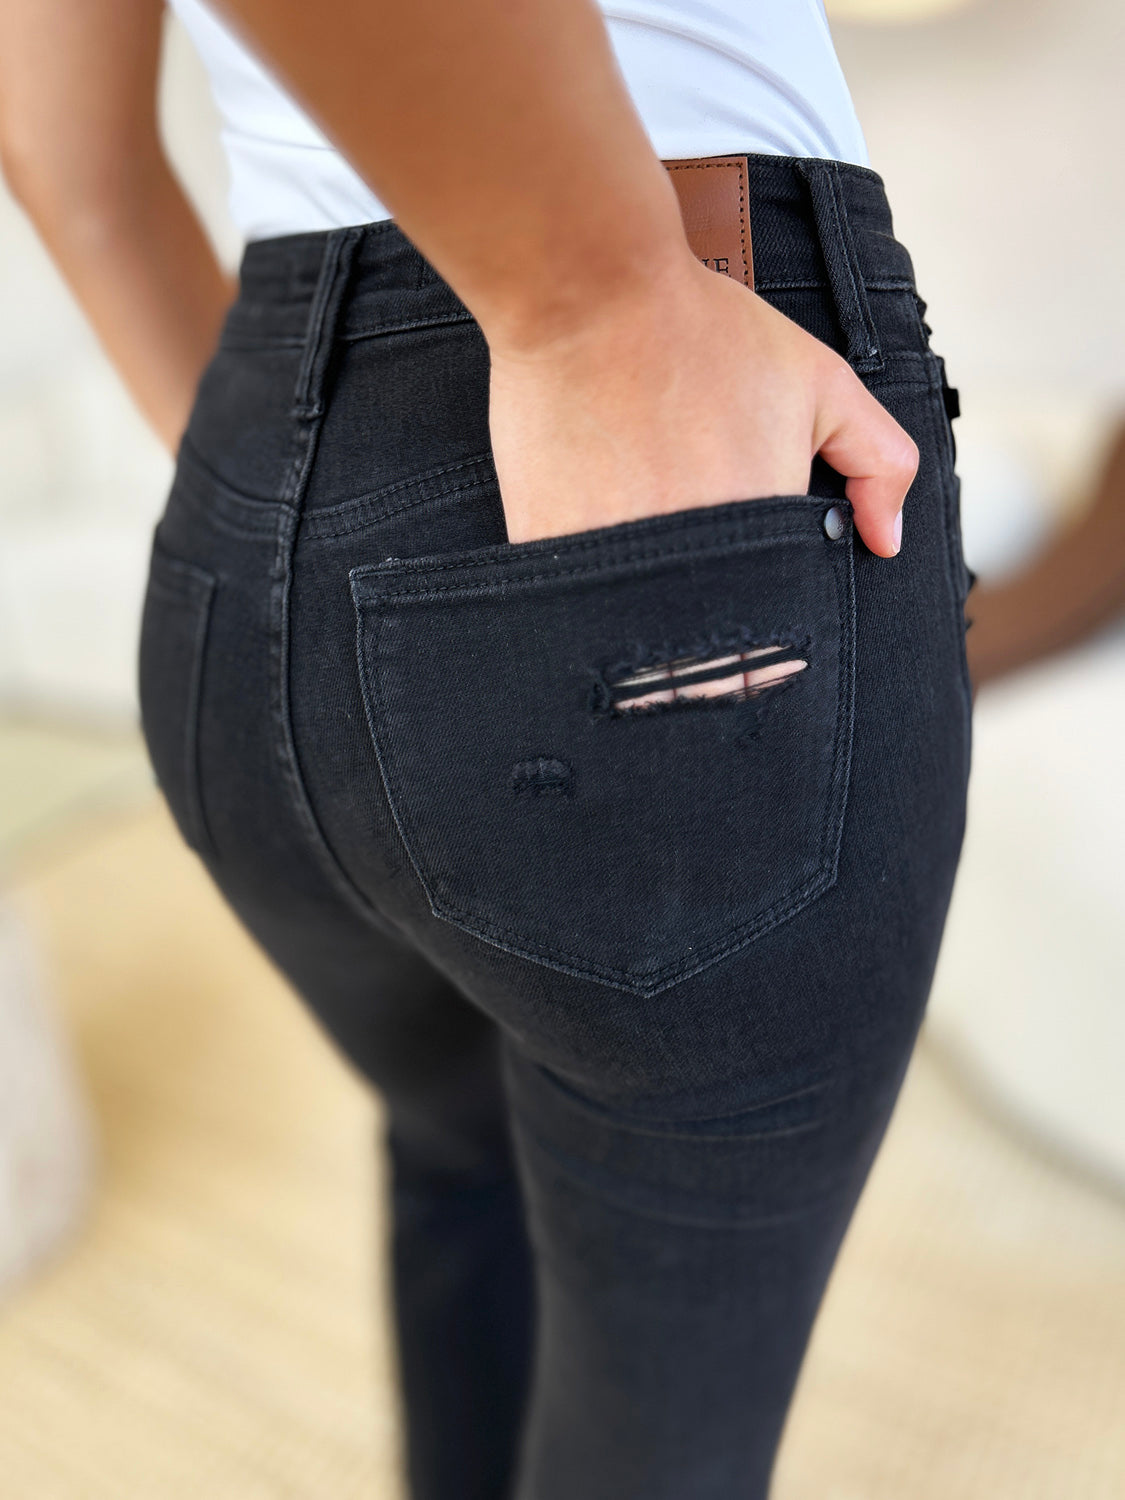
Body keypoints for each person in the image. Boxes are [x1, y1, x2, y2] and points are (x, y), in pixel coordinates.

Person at [0, 2, 973, 1496]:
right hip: (626, 369)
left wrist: (283, 521)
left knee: (464, 1176)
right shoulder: (591, 297)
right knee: (663, 1439)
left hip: (244, 515)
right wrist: (600, 304)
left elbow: (73, 164)